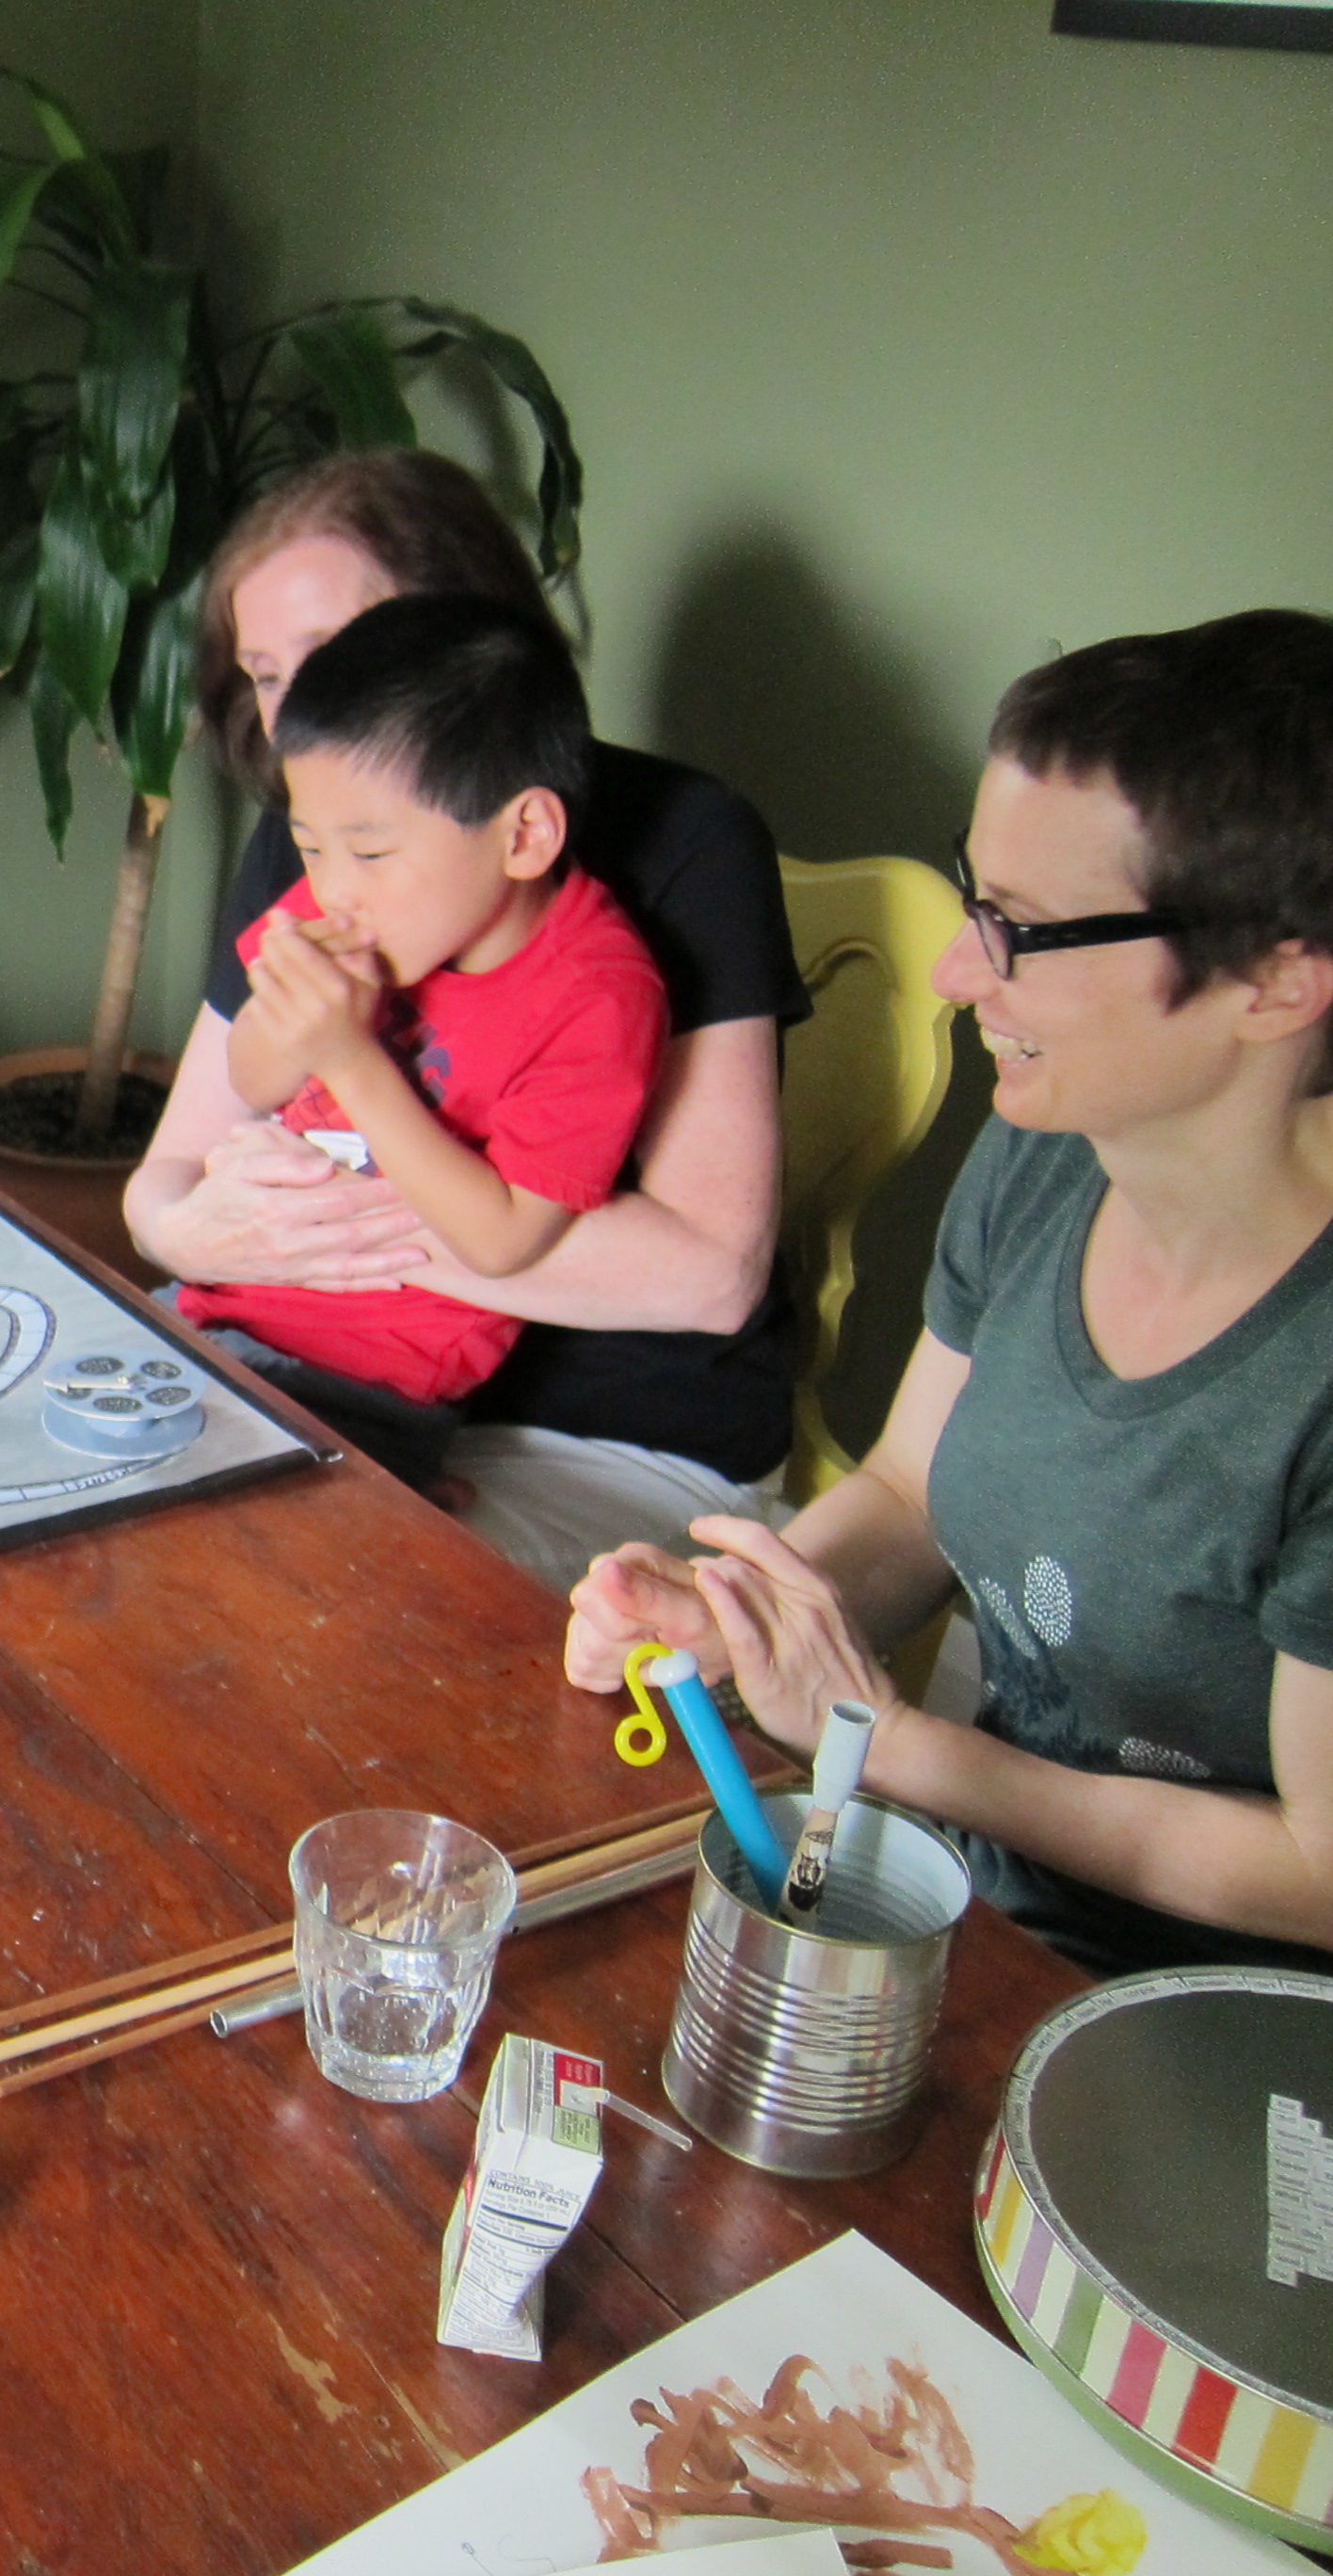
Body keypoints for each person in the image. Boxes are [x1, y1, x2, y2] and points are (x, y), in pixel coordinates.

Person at [567, 610, 1333, 1975]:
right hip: (978, 1908)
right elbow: (914, 1494)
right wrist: (744, 1620)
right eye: (979, 900)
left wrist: (899, 1746)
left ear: (1277, 983)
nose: (955, 970)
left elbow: (1317, 1872)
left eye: (1021, 929)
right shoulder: (1054, 1148)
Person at [126, 450, 805, 1585]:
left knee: (249, 1583)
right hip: (290, 1347)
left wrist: (327, 1215)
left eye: (336, 657)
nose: (300, 723)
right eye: (269, 676)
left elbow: (708, 1278)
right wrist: (189, 1237)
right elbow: (170, 1177)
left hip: (615, 1434)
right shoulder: (319, 841)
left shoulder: (684, 848)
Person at [177, 592, 666, 1490]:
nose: (333, 889)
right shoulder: (350, 906)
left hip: (364, 1391)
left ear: (524, 835)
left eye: (369, 853)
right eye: (310, 846)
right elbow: (251, 1078)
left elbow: (501, 1240)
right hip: (210, 1316)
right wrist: (296, 1024)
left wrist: (350, 1057)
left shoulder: (597, 998)